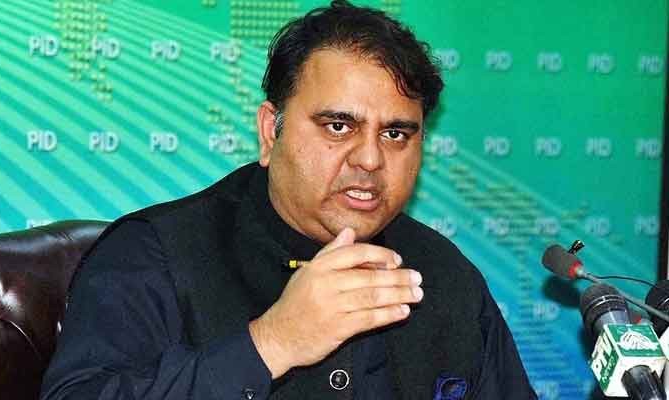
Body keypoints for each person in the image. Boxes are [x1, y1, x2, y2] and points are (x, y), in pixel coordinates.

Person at [40, 1, 536, 399]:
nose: (370, 159)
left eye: (396, 134)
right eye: (338, 126)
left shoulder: (444, 272)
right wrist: (272, 343)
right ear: (269, 132)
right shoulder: (153, 255)